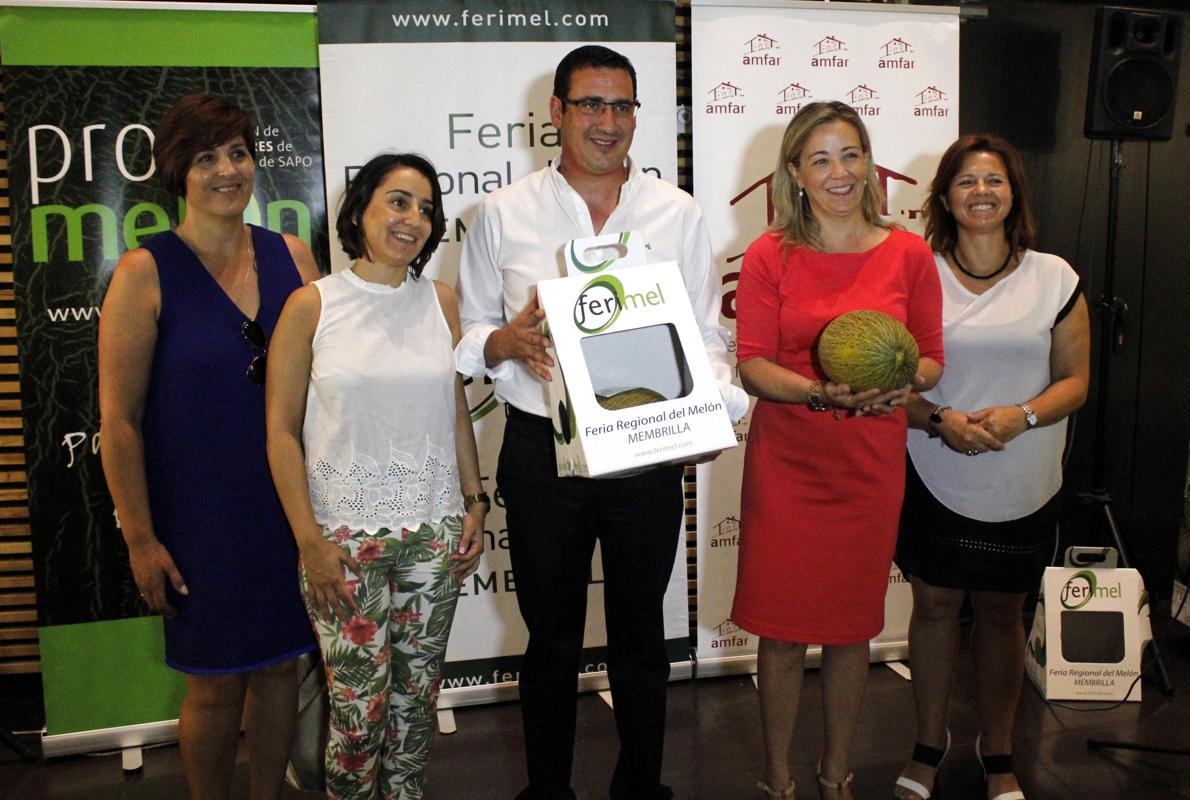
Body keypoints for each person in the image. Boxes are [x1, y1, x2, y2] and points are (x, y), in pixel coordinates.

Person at [455, 45, 747, 800]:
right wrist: (503, 343)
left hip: (647, 453)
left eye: (622, 106)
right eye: (590, 104)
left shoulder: (676, 214)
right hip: (539, 452)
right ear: (555, 113)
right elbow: (470, 337)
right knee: (549, 642)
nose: (607, 123)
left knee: (640, 640)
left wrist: (714, 405)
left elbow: (708, 338)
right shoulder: (500, 214)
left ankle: (640, 788)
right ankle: (547, 790)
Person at [98, 94, 320, 800]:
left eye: (238, 153)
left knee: (282, 670)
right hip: (198, 520)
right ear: (176, 174)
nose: (228, 171)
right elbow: (120, 420)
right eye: (206, 158)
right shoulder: (144, 272)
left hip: (287, 507)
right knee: (217, 685)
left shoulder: (292, 256)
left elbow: (334, 385)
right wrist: (140, 539)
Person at [730, 101, 944, 800]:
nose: (839, 172)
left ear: (869, 163)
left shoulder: (908, 253)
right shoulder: (769, 255)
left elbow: (933, 360)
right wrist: (821, 393)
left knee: (853, 631)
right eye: (819, 159)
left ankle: (836, 775)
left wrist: (901, 384)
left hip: (869, 463)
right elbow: (754, 364)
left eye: (850, 154)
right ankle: (778, 777)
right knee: (784, 632)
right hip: (789, 462)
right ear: (794, 173)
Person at [266, 152, 486, 799]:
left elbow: (454, 409)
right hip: (342, 544)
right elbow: (279, 430)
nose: (412, 219)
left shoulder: (441, 302)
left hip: (436, 533)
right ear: (359, 207)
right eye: (398, 201)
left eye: (425, 209)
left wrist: (474, 502)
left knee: (416, 711)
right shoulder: (312, 305)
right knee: (358, 718)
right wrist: (309, 541)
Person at [892, 134, 1089, 800]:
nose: (981, 191)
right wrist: (940, 420)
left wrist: (1023, 415)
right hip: (934, 466)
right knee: (936, 605)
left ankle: (998, 751)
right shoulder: (916, 271)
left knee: (1005, 612)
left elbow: (1076, 380)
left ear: (1014, 195)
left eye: (994, 180)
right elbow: (896, 381)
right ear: (944, 196)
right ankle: (928, 744)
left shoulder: (1055, 277)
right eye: (967, 181)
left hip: (1022, 472)